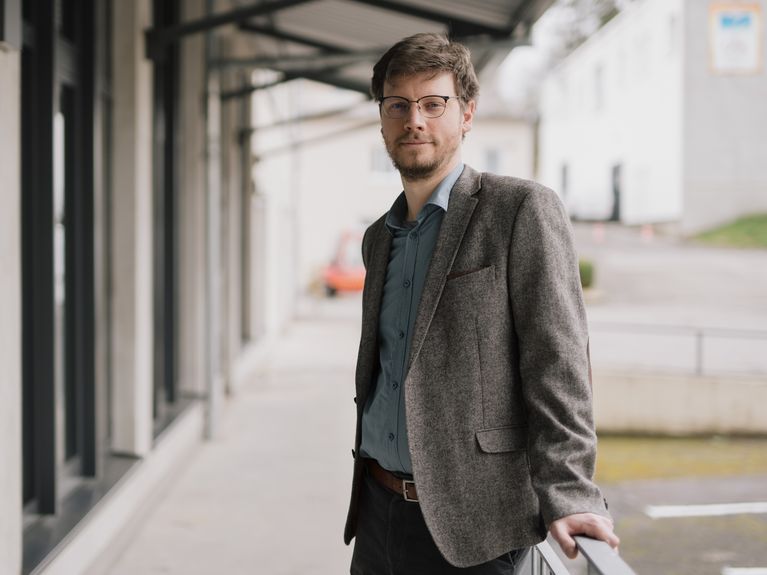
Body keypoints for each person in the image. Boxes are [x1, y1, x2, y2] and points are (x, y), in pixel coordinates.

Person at [344, 33, 619, 574]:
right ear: (382, 119)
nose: (414, 120)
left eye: (433, 104)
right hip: (376, 512)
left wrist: (569, 491)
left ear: (467, 113)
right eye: (398, 105)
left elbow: (557, 363)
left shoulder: (519, 210)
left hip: (475, 526)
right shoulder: (378, 238)